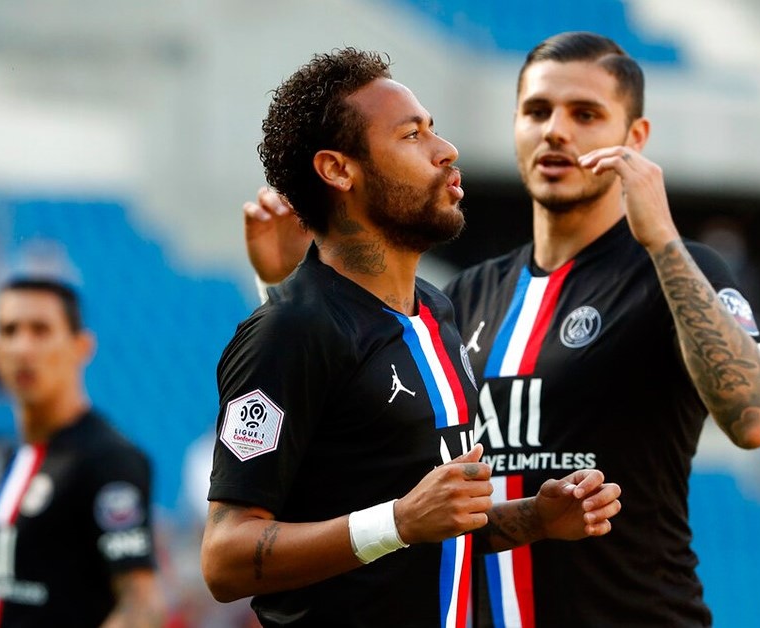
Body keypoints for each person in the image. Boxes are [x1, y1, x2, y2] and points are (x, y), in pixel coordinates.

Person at [243, 32, 760, 627]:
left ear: (634, 138)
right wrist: (285, 281)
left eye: (585, 114)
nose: (556, 131)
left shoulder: (675, 272)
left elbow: (754, 420)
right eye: (537, 111)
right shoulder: (461, 297)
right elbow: (352, 421)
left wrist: (662, 240)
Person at [200, 47, 622, 628]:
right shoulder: (290, 330)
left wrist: (535, 517)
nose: (445, 150)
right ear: (338, 170)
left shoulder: (437, 311)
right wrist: (398, 521)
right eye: (411, 135)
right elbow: (224, 558)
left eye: (433, 129)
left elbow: (431, 523)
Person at [0, 277, 166, 627]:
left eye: (41, 330)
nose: (23, 347)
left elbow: (142, 608)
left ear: (81, 347)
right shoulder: (19, 456)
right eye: (10, 330)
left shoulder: (107, 459)